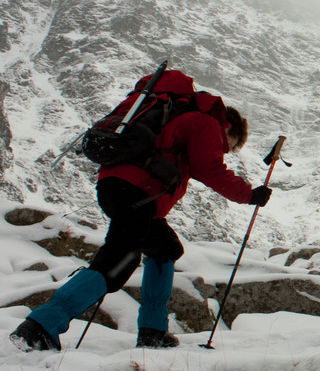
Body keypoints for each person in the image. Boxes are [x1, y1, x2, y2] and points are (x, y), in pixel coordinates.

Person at [9, 70, 272, 351]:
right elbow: (209, 168)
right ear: (229, 127)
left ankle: (153, 331)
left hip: (119, 187)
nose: (226, 150)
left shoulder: (176, 115)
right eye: (230, 146)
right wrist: (250, 195)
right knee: (119, 259)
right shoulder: (207, 123)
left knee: (165, 248)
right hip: (135, 191)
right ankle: (39, 326)